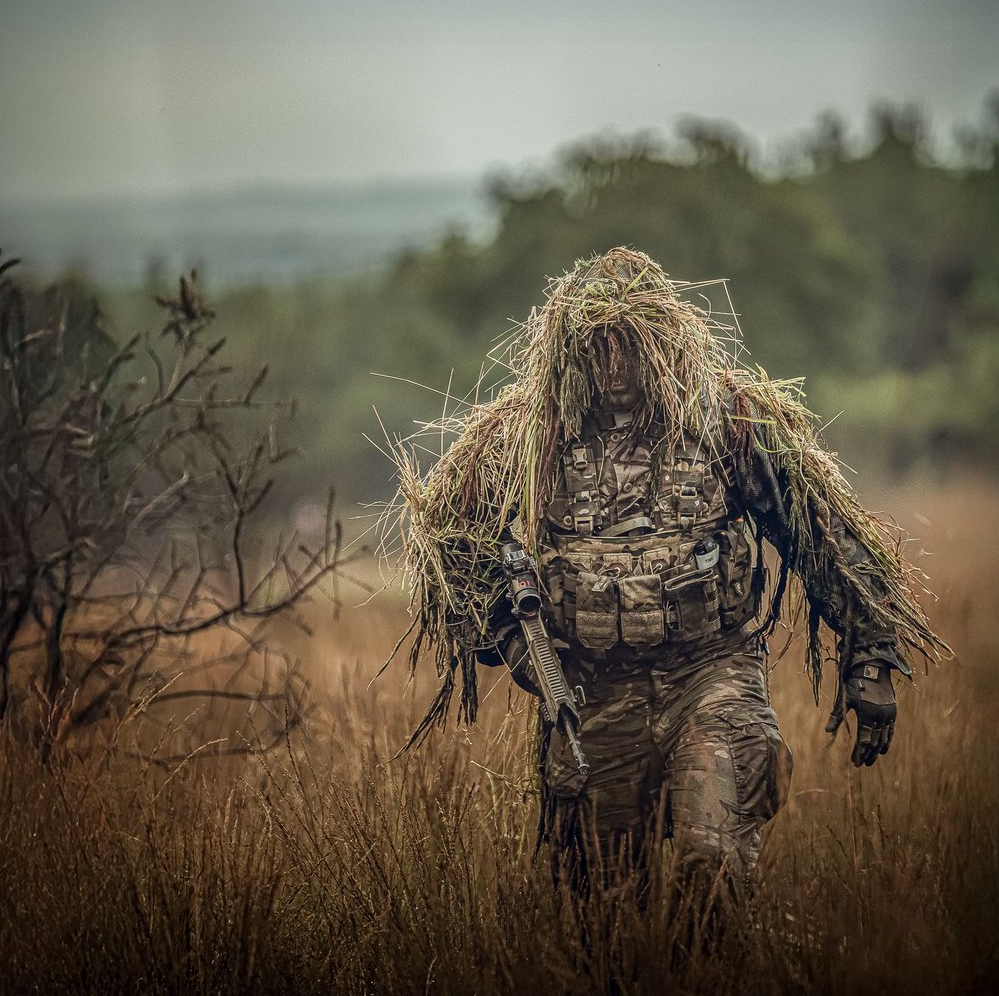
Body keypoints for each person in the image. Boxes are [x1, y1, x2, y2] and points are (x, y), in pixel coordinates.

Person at [395, 248, 944, 915]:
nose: (617, 368)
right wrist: (515, 644)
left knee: (712, 866)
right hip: (591, 699)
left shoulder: (728, 421)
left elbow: (825, 536)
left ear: (664, 341)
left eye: (632, 345)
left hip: (710, 679)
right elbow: (454, 548)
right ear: (573, 352)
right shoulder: (525, 438)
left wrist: (870, 662)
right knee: (605, 917)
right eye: (600, 349)